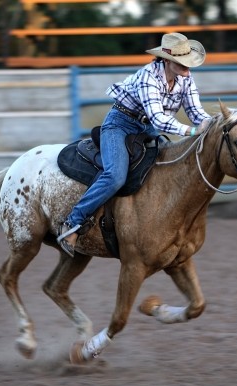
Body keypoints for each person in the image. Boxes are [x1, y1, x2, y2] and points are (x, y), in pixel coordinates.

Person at [57, 32, 211, 256]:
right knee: (115, 175)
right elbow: (159, 119)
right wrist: (193, 131)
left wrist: (218, 123)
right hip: (120, 124)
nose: (188, 67)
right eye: (182, 62)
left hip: (145, 128)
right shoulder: (148, 76)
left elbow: (197, 113)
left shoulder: (185, 79)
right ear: (167, 60)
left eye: (188, 60)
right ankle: (72, 223)